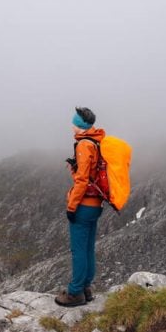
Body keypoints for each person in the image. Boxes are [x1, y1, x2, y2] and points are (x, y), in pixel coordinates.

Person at [55, 106, 104, 307]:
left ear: (80, 126)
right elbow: (90, 173)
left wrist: (71, 207)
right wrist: (75, 168)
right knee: (88, 248)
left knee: (78, 250)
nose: (71, 126)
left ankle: (75, 293)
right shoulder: (96, 141)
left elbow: (83, 181)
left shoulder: (84, 145)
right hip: (95, 205)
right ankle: (86, 288)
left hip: (83, 206)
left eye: (74, 123)